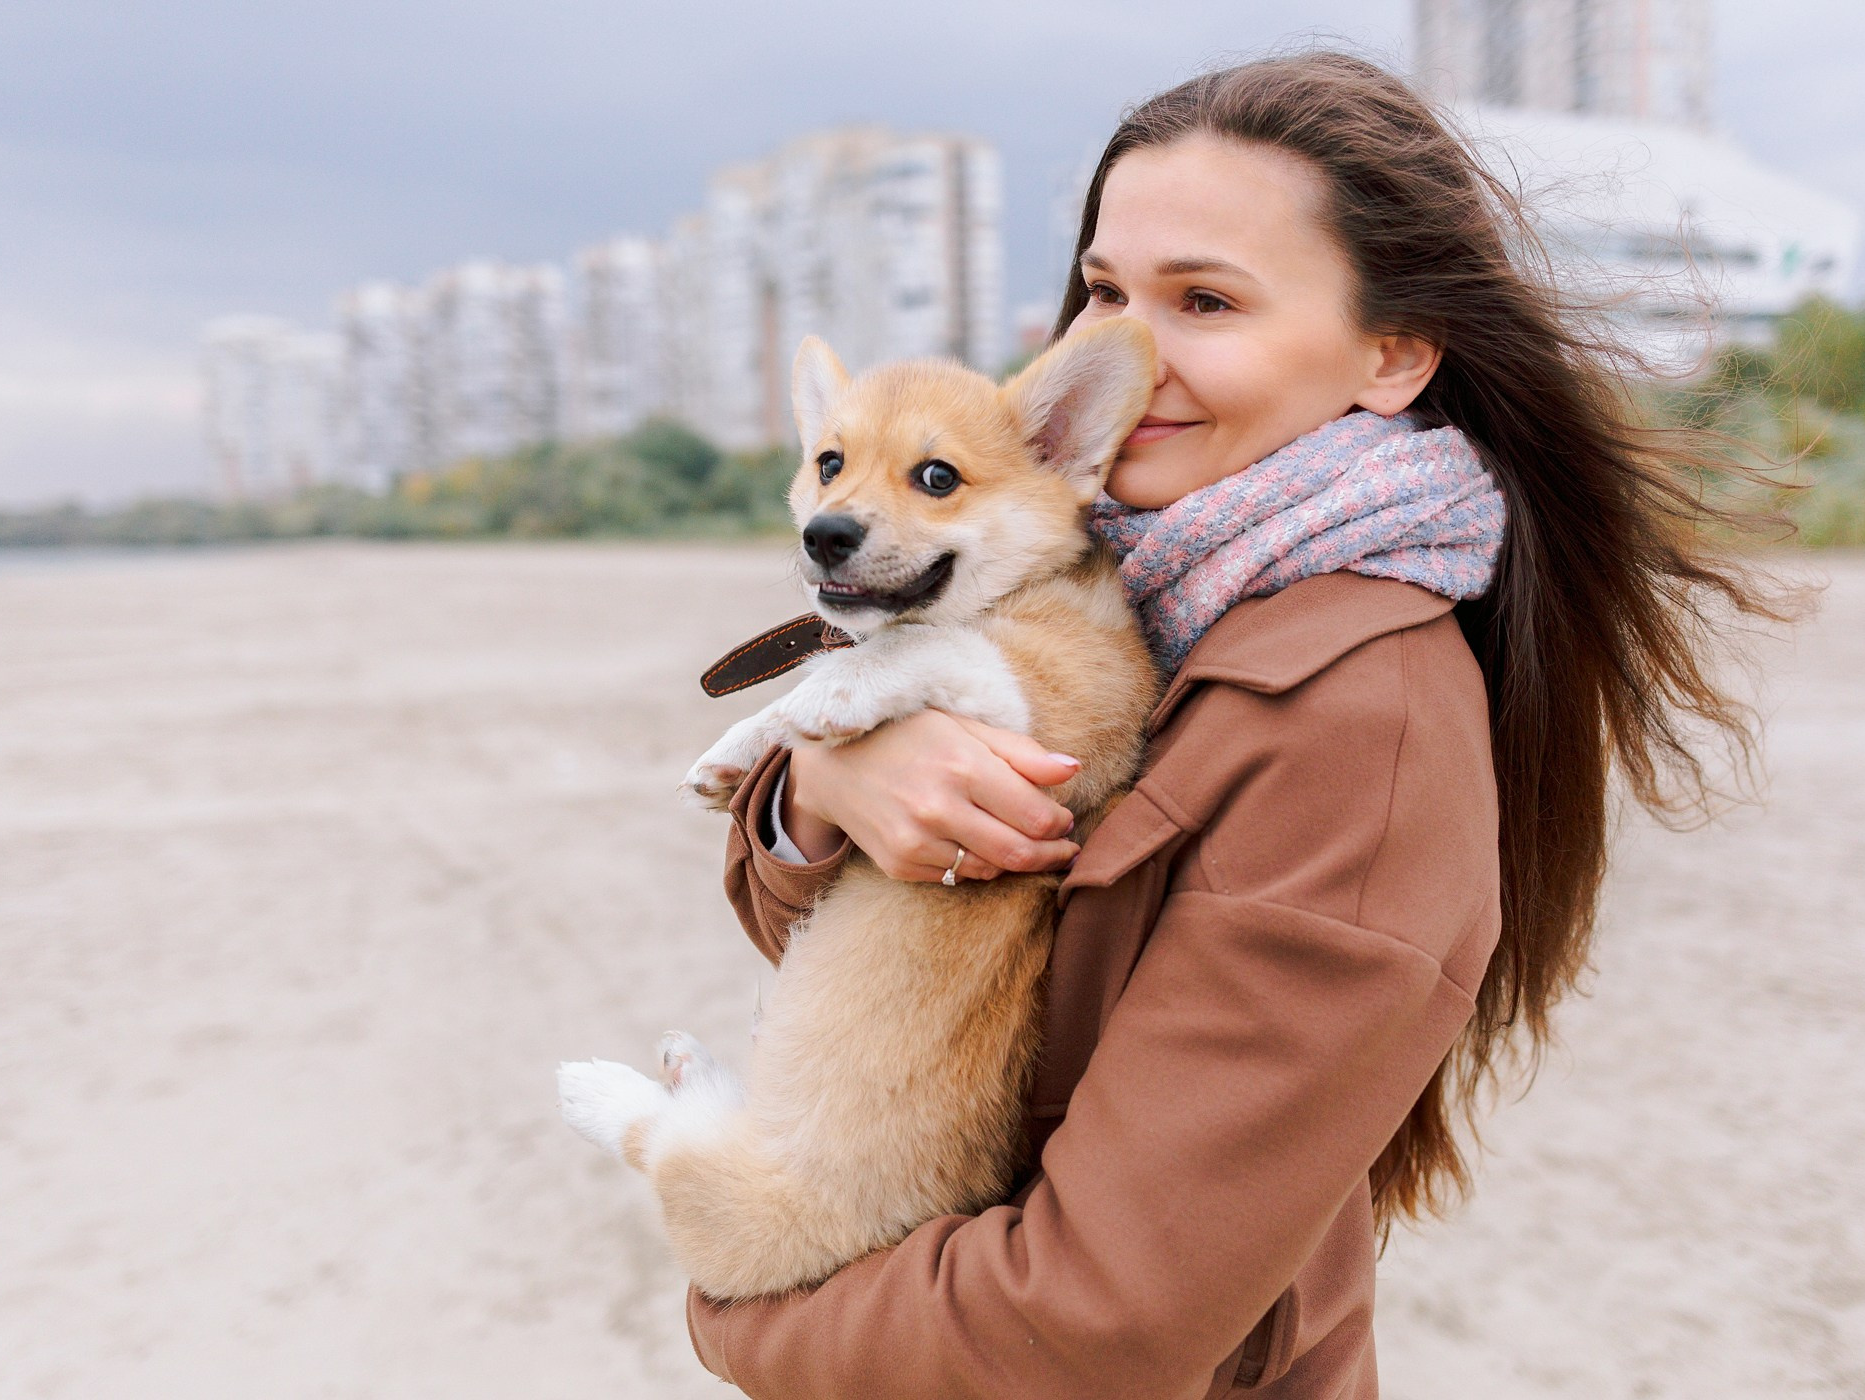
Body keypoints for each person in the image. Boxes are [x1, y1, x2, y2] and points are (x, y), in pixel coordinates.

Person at [685, 51, 1779, 1398]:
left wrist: (738, 1318)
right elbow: (873, 975)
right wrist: (827, 792)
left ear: (1391, 355)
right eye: (1104, 291)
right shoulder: (1113, 595)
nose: (1132, 352)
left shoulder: (1351, 722)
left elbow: (1099, 1325)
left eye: (1205, 300)